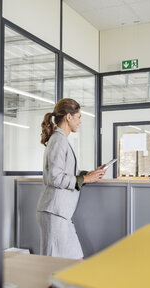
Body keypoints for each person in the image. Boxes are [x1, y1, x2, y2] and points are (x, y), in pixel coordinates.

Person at [37, 98, 105, 259]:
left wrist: (88, 174)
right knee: (55, 262)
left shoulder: (61, 140)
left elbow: (65, 172)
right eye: (79, 117)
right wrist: (85, 179)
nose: (80, 121)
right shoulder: (58, 140)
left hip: (60, 213)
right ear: (69, 117)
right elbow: (55, 177)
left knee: (72, 258)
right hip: (54, 212)